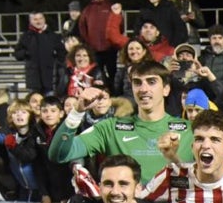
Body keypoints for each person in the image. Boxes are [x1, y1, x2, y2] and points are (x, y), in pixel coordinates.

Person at [48, 60, 194, 182]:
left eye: (151, 82)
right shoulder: (110, 128)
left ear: (166, 89)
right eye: (137, 83)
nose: (143, 89)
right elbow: (59, 154)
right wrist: (77, 113)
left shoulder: (189, 131)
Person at [79, 0, 117, 83]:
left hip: (110, 48)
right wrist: (88, 44)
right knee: (96, 74)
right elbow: (82, 28)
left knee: (112, 73)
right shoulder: (87, 9)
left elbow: (119, 25)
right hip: (94, 50)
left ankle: (113, 93)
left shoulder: (111, 6)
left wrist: (114, 41)